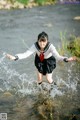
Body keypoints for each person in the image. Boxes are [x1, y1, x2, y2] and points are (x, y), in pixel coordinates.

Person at [7, 32, 76, 85]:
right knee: (39, 78)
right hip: (39, 60)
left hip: (49, 61)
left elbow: (57, 56)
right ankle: (41, 92)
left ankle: (55, 88)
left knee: (48, 78)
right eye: (40, 41)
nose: (42, 44)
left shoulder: (51, 46)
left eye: (44, 41)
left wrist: (66, 59)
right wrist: (15, 57)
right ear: (38, 40)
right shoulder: (35, 46)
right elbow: (26, 54)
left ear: (47, 41)